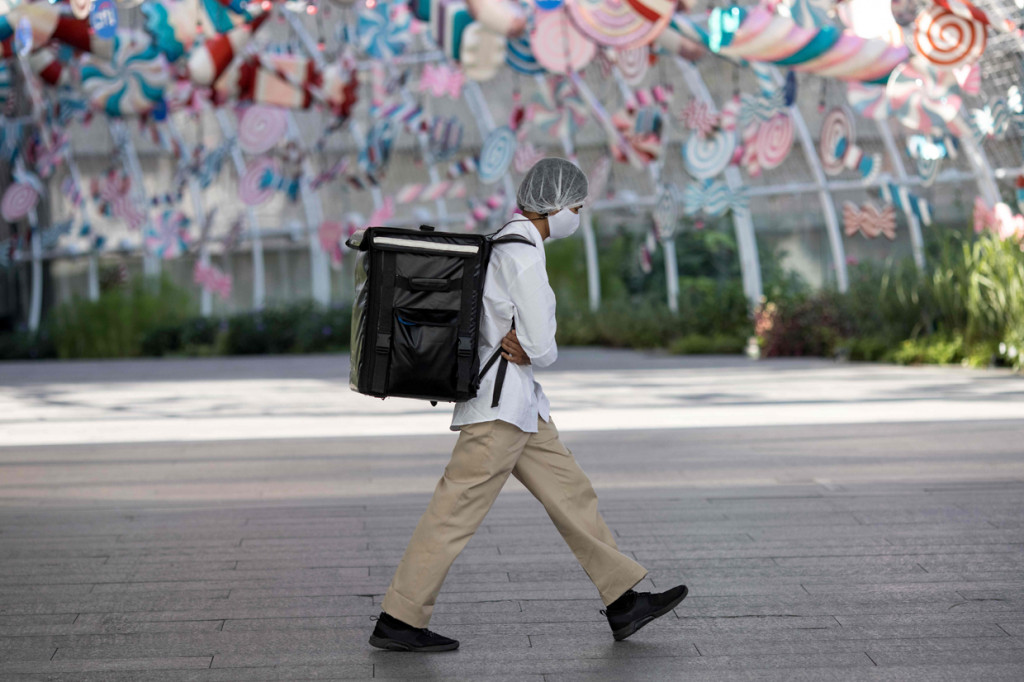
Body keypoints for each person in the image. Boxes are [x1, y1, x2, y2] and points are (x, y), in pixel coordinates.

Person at [369, 158, 687, 652]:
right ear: (555, 206)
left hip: (521, 406)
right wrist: (538, 348)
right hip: (500, 409)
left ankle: (624, 602)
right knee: (452, 513)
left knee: (572, 494)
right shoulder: (525, 255)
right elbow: (542, 345)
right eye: (576, 207)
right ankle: (399, 618)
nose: (577, 215)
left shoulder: (504, 240)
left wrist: (531, 348)